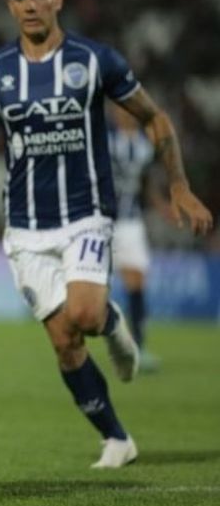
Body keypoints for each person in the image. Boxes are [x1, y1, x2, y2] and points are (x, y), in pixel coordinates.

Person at [0, 0, 213, 469]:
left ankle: (112, 320)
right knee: (64, 342)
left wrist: (180, 186)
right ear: (10, 7)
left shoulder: (95, 60)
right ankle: (116, 437)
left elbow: (154, 117)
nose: (30, 5)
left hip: (87, 214)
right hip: (26, 226)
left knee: (86, 316)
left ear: (58, 0)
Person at [107, 104, 161, 370]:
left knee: (136, 281)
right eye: (120, 110)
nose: (124, 113)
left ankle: (138, 345)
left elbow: (146, 184)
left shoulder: (145, 145)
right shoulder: (105, 140)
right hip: (101, 221)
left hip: (131, 222)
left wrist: (164, 206)